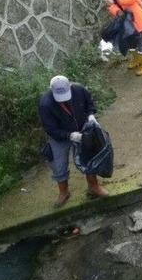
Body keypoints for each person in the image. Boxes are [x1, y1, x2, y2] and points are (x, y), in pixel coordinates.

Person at [39, 75, 109, 207]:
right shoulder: (45, 104)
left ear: (70, 86)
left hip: (83, 130)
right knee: (58, 163)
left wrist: (91, 115)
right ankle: (64, 192)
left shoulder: (79, 90)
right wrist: (70, 136)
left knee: (90, 157)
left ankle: (93, 186)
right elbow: (50, 129)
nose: (64, 99)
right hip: (59, 136)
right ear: (51, 91)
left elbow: (89, 103)